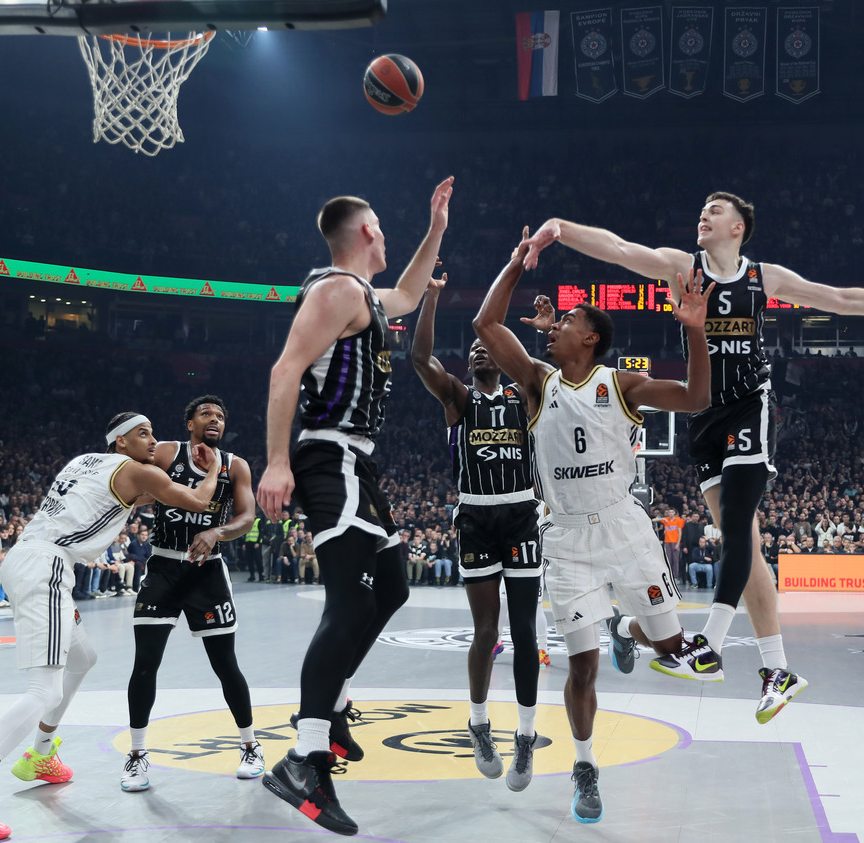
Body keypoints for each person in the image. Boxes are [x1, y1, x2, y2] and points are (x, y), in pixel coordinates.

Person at [521, 193, 864, 723]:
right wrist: (559, 228)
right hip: (702, 414)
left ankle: (710, 644)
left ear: (738, 228)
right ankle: (776, 669)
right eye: (701, 209)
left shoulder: (763, 277)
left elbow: (841, 299)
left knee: (736, 531)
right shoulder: (680, 268)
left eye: (715, 210)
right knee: (745, 545)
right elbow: (618, 249)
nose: (702, 215)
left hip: (749, 407)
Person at [474, 229, 719, 824]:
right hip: (567, 538)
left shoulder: (620, 384)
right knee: (581, 664)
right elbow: (487, 325)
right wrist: (514, 264)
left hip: (625, 530)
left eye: (566, 323)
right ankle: (585, 766)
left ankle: (630, 632)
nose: (552, 326)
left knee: (670, 645)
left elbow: (695, 397)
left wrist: (693, 326)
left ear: (592, 337)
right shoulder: (536, 383)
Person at [256, 177, 453, 835]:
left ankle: (332, 704)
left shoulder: (363, 295)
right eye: (384, 226)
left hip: (355, 461)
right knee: (348, 601)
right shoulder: (334, 290)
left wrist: (436, 229)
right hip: (327, 455)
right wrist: (277, 461)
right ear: (366, 231)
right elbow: (285, 371)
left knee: (390, 584)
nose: (387, 234)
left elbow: (408, 292)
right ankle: (306, 757)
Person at [0, 413, 220, 841]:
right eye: (143, 434)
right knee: (44, 690)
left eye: (153, 433)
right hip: (47, 567)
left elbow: (133, 501)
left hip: (28, 558)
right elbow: (196, 500)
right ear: (120, 442)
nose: (152, 441)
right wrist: (211, 471)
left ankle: (41, 754)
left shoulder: (86, 462)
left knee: (83, 657)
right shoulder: (136, 470)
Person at [411, 267, 542, 791]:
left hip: (521, 512)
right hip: (476, 516)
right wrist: (431, 299)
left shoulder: (525, 395)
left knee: (528, 630)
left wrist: (531, 330)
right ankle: (479, 722)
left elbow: (537, 367)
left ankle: (526, 738)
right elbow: (420, 359)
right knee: (486, 630)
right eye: (471, 351)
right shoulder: (459, 399)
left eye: (486, 347)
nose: (479, 352)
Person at [122, 396, 262, 793]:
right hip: (164, 568)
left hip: (208, 573)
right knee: (145, 664)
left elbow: (247, 517)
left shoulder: (237, 466)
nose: (215, 419)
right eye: (206, 414)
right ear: (190, 423)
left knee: (226, 666)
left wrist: (217, 531)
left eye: (220, 415)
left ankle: (250, 746)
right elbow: (134, 490)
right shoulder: (166, 452)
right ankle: (136, 755)